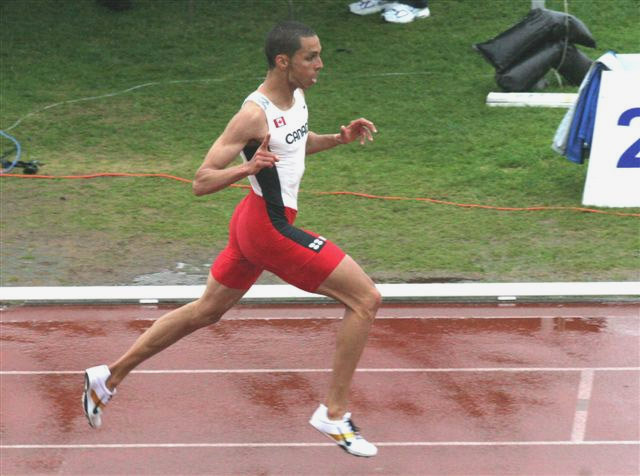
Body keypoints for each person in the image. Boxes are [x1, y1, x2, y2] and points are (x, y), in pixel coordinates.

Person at [82, 20, 381, 458]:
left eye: (319, 54)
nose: (320, 64)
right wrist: (247, 167)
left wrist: (338, 138)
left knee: (205, 311)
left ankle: (107, 377)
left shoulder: (297, 96)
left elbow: (294, 145)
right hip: (269, 229)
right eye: (311, 56)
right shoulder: (253, 114)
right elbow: (201, 181)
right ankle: (333, 414)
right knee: (366, 299)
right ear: (284, 61)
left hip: (253, 223)